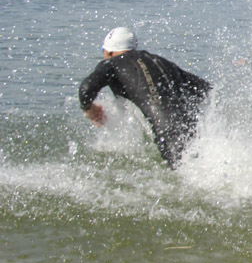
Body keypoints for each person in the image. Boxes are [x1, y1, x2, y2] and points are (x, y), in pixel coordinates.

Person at [78, 27, 210, 168]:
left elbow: (85, 89)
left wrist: (89, 109)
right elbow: (204, 89)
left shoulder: (112, 63)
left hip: (168, 136)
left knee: (184, 174)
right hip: (192, 130)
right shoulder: (160, 62)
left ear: (109, 52)